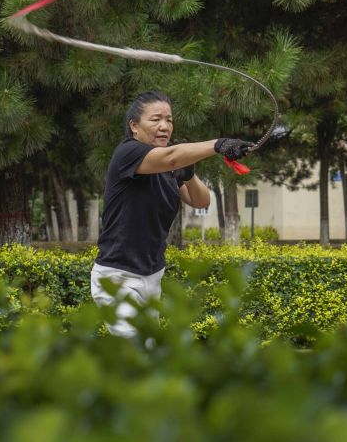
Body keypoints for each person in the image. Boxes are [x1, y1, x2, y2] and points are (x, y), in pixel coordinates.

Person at [91, 90, 254, 338]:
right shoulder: (128, 153)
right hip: (118, 276)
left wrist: (187, 171)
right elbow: (170, 158)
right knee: (135, 355)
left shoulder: (169, 167)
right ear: (134, 126)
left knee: (149, 354)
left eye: (169, 120)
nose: (164, 126)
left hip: (152, 276)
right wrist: (218, 144)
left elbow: (200, 200)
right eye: (155, 119)